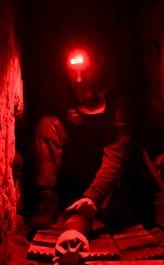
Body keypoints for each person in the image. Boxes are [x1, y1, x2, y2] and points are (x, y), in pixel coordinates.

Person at [29, 40, 132, 230]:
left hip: (101, 174)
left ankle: (102, 207)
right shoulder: (62, 94)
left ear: (100, 65)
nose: (78, 79)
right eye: (73, 70)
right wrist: (68, 119)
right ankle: (46, 203)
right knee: (47, 124)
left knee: (114, 210)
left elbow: (117, 155)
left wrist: (92, 197)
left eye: (86, 70)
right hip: (72, 170)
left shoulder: (116, 102)